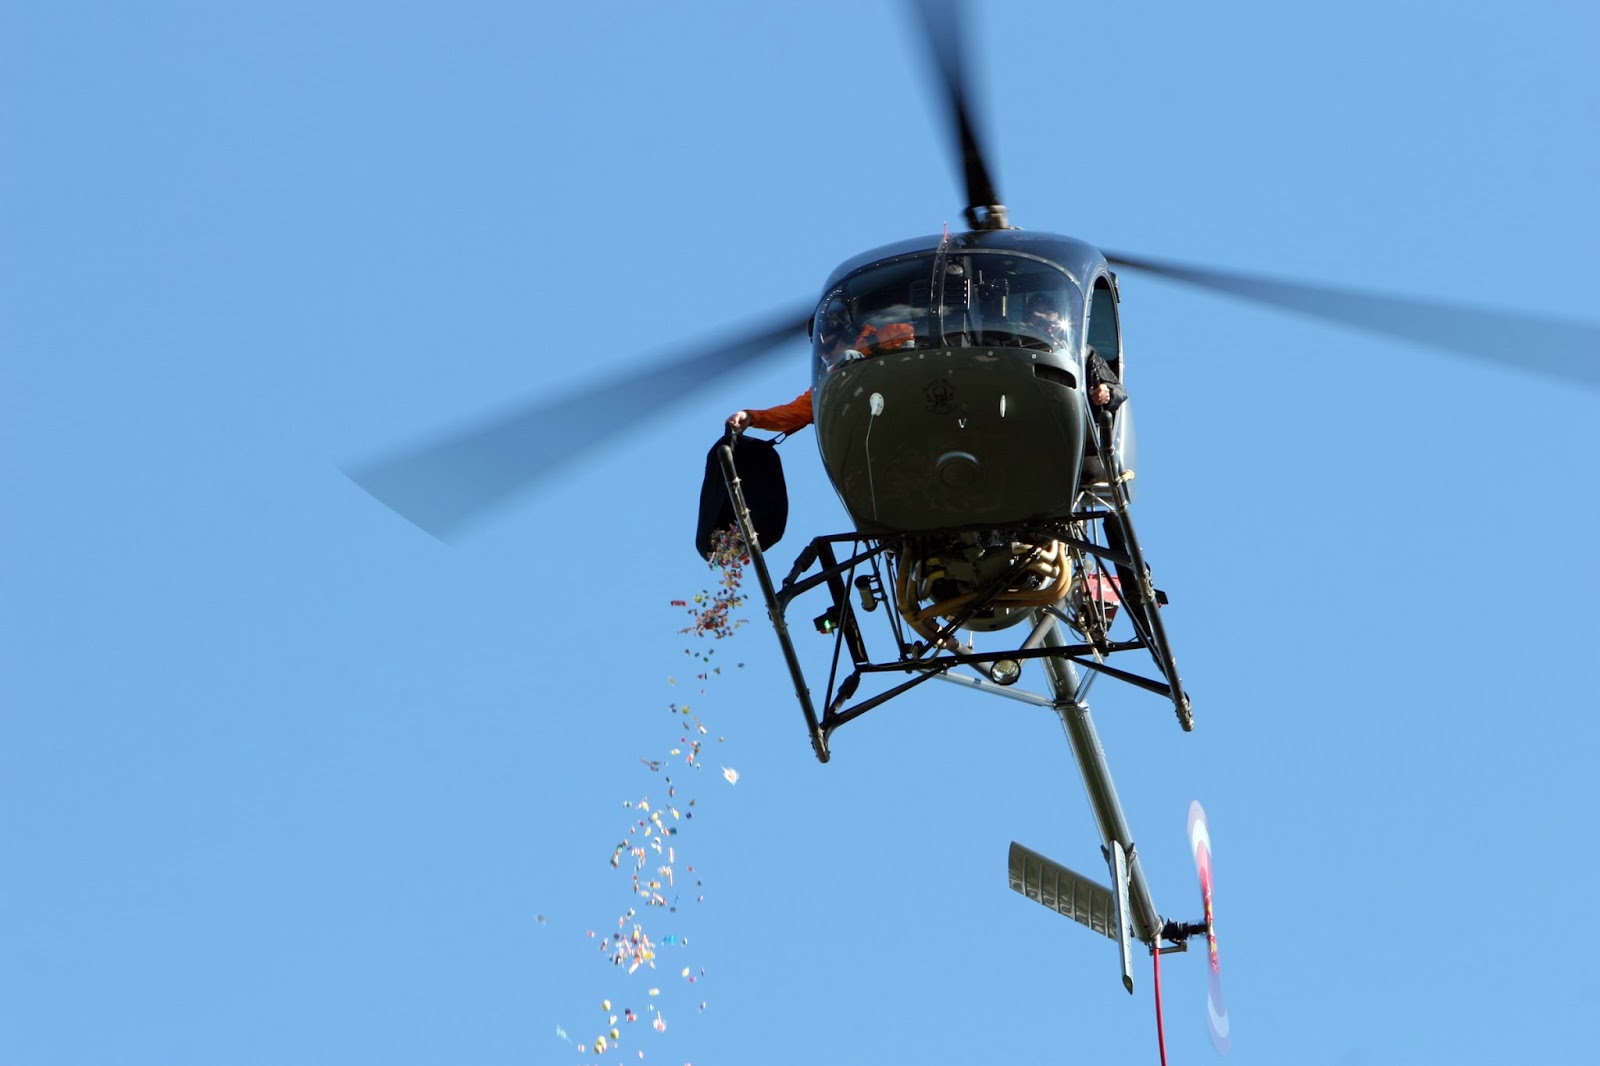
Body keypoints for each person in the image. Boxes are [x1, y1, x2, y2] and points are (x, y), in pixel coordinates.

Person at [727, 319, 916, 434]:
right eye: (820, 352)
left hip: (907, 401)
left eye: (827, 347)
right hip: (877, 425)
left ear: (848, 335)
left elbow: (909, 337)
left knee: (849, 358)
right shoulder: (834, 379)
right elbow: (795, 413)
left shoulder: (886, 336)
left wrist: (873, 356)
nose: (825, 355)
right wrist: (751, 417)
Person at [1024, 293, 1126, 411]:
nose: (1044, 320)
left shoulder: (1083, 353)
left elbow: (1119, 390)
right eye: (1037, 314)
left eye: (1048, 313)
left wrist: (1106, 391)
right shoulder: (1014, 341)